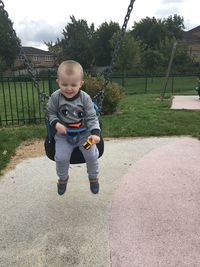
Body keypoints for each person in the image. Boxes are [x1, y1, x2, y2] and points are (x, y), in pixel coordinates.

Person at [47, 60, 101, 195]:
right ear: (58, 82)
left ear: (81, 83)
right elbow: (51, 113)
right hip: (64, 135)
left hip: (84, 135)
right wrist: (56, 124)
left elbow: (91, 117)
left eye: (73, 84)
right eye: (64, 84)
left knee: (92, 154)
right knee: (61, 157)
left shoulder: (85, 98)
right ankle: (63, 179)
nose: (69, 88)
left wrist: (95, 133)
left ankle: (93, 177)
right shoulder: (56, 97)